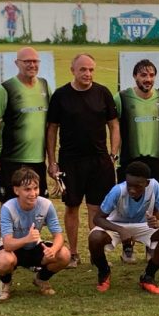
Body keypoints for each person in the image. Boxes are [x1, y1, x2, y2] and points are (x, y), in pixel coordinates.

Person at [47, 53, 120, 268]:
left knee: (96, 209)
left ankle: (95, 254)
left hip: (99, 161)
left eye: (91, 70)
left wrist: (113, 154)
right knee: (72, 207)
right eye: (83, 70)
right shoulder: (61, 96)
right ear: (73, 70)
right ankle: (74, 253)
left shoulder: (103, 93)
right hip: (70, 161)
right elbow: (52, 129)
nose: (87, 74)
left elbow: (114, 124)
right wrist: (52, 161)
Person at [88, 162, 159, 294]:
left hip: (143, 226)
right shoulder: (117, 191)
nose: (132, 190)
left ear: (146, 183)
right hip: (116, 225)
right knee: (94, 238)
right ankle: (104, 272)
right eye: (129, 185)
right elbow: (98, 219)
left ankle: (148, 276)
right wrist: (120, 230)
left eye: (137, 186)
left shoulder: (154, 186)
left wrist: (158, 223)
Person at [0, 167, 71, 301]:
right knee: (5, 261)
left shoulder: (46, 205)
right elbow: (7, 244)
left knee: (64, 255)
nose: (33, 193)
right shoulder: (8, 208)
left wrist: (53, 250)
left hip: (34, 247)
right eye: (27, 189)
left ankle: (41, 279)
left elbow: (58, 235)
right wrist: (26, 238)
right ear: (16, 190)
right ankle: (5, 283)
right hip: (13, 249)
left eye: (36, 188)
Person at [0, 47, 51, 203]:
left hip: (38, 159)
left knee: (37, 204)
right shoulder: (6, 89)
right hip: (12, 159)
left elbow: (50, 124)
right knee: (9, 206)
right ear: (17, 63)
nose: (32, 65)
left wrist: (51, 158)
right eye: (27, 61)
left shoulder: (44, 85)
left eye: (35, 61)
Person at [115, 59, 159, 188]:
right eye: (143, 75)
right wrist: (113, 155)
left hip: (155, 160)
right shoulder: (122, 97)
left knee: (156, 203)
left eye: (151, 75)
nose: (148, 79)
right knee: (127, 202)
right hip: (129, 159)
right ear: (135, 76)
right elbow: (112, 125)